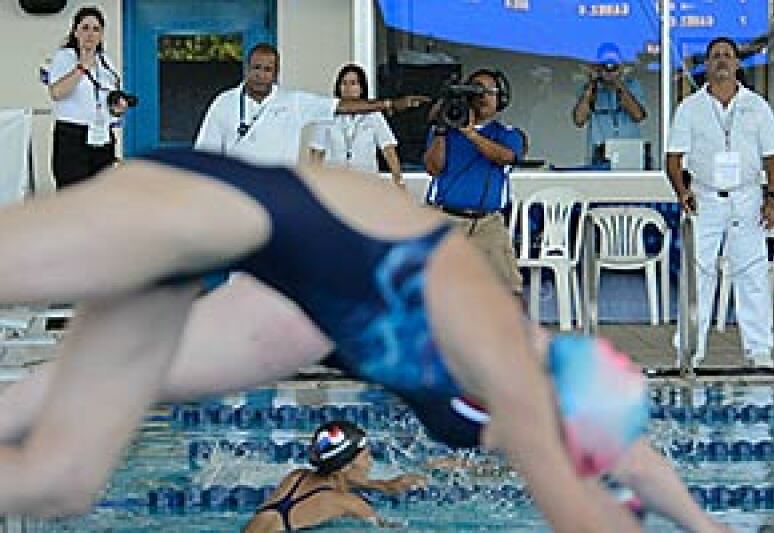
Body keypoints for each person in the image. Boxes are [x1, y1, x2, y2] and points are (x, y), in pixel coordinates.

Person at [0, 148, 643, 531]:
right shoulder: (443, 299)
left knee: (66, 479)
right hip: (190, 208)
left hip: (202, 260)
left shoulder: (362, 362)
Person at [667, 36, 774, 368]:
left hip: (747, 198)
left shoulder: (756, 105)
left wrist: (772, 198)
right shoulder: (689, 108)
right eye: (715, 56)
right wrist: (682, 191)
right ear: (706, 64)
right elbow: (673, 159)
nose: (721, 60)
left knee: (752, 276)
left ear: (737, 64)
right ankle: (689, 350)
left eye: (727, 56)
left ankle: (759, 351)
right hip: (705, 199)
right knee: (698, 275)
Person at [195, 43, 427, 167]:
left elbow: (340, 107)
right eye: (256, 68)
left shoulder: (294, 102)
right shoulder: (223, 103)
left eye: (268, 70)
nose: (261, 75)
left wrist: (390, 104)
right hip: (237, 194)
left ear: (276, 73)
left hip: (280, 193)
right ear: (247, 68)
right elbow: (205, 153)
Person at [423, 68, 524, 297]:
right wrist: (441, 130)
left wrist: (471, 134)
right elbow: (433, 168)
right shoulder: (446, 131)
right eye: (476, 90)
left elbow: (506, 157)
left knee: (509, 292)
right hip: (445, 219)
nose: (482, 97)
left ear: (501, 99)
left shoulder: (507, 133)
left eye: (489, 91)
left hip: (487, 223)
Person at [243, 421, 425, 531]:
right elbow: (387, 528)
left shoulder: (296, 477)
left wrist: (385, 486)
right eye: (366, 456)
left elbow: (332, 483)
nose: (370, 462)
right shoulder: (350, 503)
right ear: (346, 465)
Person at [47, 6, 130, 188]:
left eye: (96, 29)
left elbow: (106, 99)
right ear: (75, 32)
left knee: (101, 193)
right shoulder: (65, 57)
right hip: (72, 136)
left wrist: (117, 109)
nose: (90, 34)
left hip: (101, 135)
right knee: (73, 195)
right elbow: (56, 93)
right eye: (85, 28)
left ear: (101, 34)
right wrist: (82, 68)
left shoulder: (105, 61)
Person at [308, 64, 405, 189]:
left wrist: (398, 180)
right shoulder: (326, 114)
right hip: (334, 185)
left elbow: (388, 149)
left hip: (367, 185)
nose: (348, 88)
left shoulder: (374, 114)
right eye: (344, 83)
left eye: (353, 83)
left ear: (361, 87)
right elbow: (316, 153)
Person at [572, 42, 647, 165]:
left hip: (630, 151)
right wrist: (592, 83)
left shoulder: (632, 85)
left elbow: (638, 116)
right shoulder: (589, 89)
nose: (609, 68)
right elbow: (579, 120)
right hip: (599, 153)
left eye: (613, 64)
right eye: (604, 64)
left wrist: (618, 82)